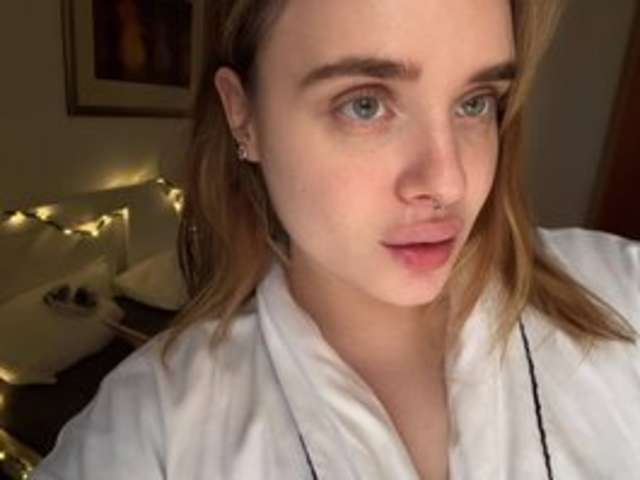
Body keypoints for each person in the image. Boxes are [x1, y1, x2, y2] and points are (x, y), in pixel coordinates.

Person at [34, 0, 640, 478]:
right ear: (243, 115)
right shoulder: (151, 429)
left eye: (475, 103)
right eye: (365, 105)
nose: (447, 182)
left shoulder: (621, 290)